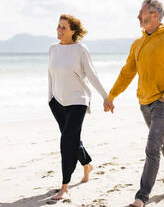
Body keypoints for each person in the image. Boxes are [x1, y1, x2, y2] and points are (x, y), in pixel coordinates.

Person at [103, 0, 164, 207]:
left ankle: (142, 197)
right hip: (145, 104)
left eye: (141, 13)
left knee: (153, 147)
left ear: (155, 16)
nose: (137, 17)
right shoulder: (138, 43)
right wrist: (112, 95)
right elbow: (127, 73)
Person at [48, 14, 111, 200]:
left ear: (73, 31)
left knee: (67, 141)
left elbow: (92, 75)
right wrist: (50, 98)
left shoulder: (80, 50)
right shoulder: (52, 49)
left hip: (78, 101)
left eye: (64, 28)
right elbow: (51, 75)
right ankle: (87, 164)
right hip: (57, 102)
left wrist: (105, 96)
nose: (59, 30)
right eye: (58, 26)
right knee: (72, 139)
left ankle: (64, 186)